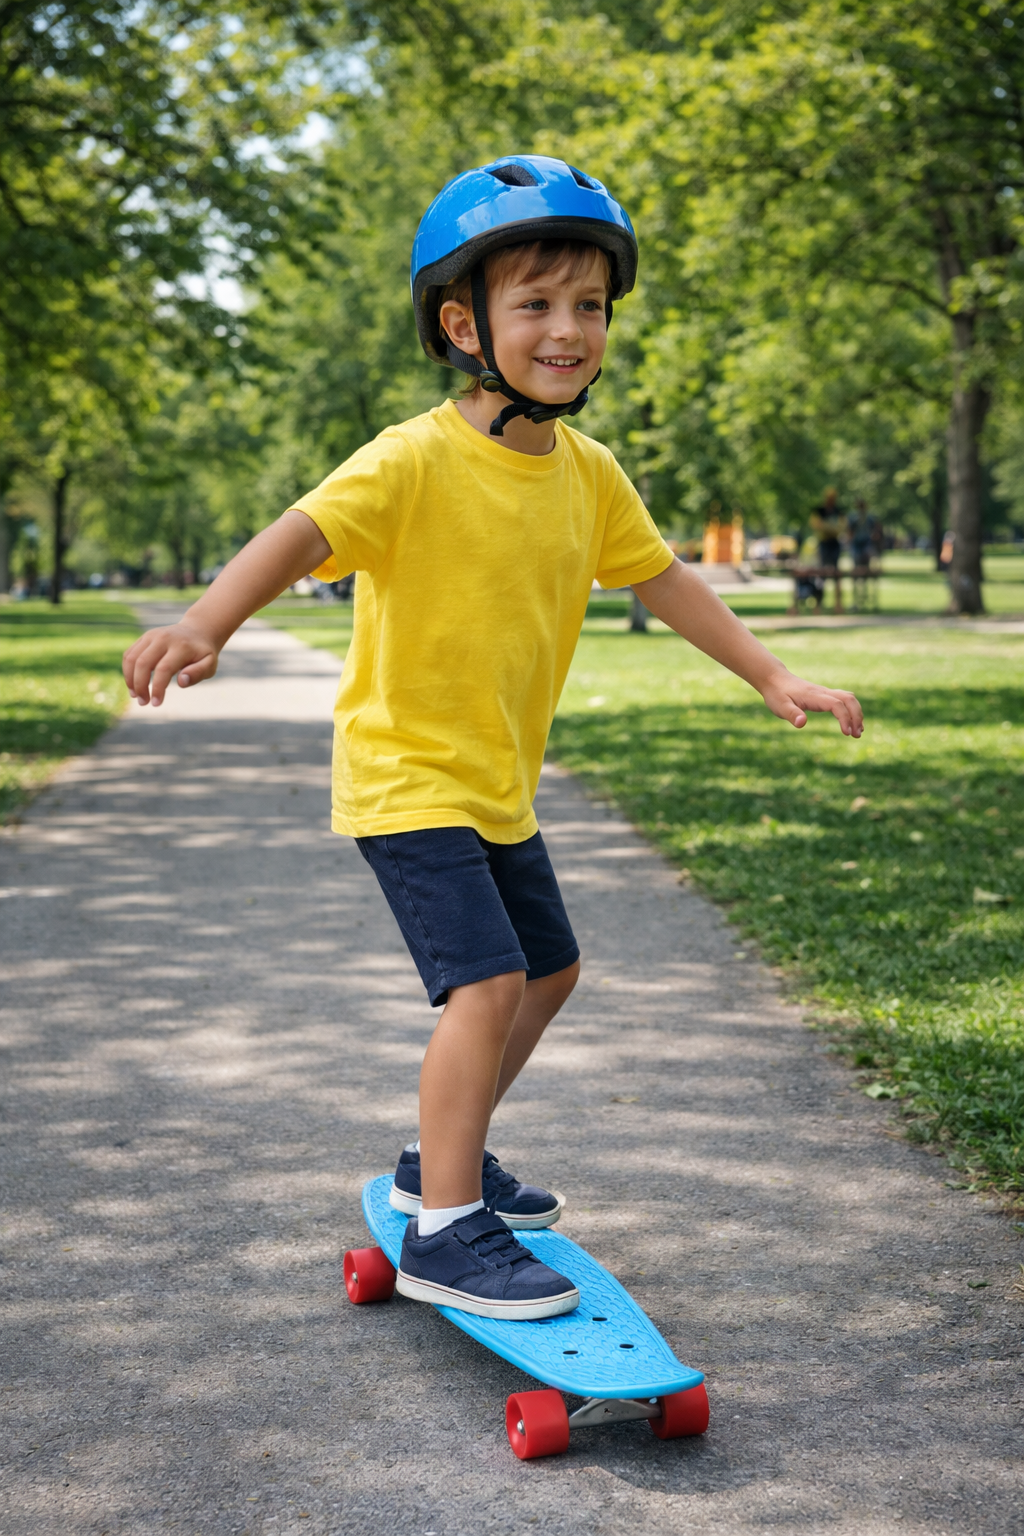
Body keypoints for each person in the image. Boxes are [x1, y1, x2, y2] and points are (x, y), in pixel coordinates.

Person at [122, 155, 864, 1322]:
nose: (568, 330)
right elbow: (299, 529)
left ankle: (437, 1160)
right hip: (406, 773)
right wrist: (208, 620)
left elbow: (667, 581)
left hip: (494, 787)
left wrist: (771, 671)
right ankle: (444, 1230)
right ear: (463, 323)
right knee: (487, 981)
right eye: (536, 304)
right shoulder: (411, 459)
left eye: (589, 306)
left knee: (551, 969)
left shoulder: (590, 473)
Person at [810, 487, 845, 613]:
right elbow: (816, 525)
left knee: (836, 574)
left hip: (834, 544)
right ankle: (818, 605)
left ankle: (838, 605)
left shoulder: (838, 511)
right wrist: (831, 528)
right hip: (823, 544)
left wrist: (827, 527)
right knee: (821, 574)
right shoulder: (819, 511)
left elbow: (841, 527)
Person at [847, 498, 880, 611]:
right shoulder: (853, 517)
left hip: (866, 545)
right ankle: (856, 602)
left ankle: (869, 600)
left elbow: (875, 532)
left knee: (868, 573)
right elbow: (850, 532)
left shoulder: (869, 517)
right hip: (857, 547)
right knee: (856, 574)